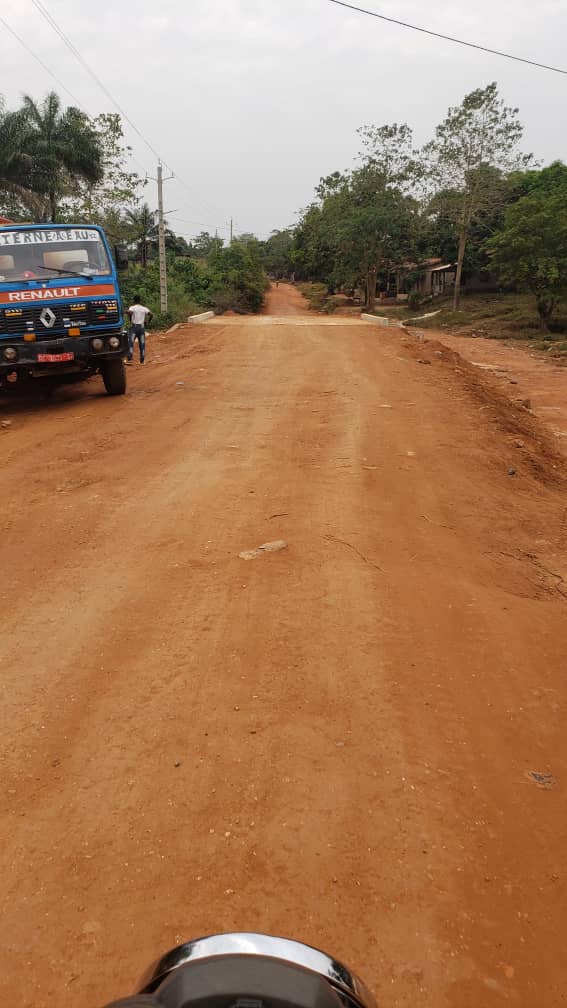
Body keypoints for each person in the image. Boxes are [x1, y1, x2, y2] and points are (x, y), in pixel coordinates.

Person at [127, 296, 152, 364]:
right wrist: (148, 322)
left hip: (134, 328)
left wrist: (129, 318)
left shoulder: (132, 307)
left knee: (131, 342)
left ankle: (129, 359)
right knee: (142, 344)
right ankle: (142, 360)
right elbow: (151, 314)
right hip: (141, 328)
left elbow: (130, 312)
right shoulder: (144, 308)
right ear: (140, 301)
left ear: (133, 301)